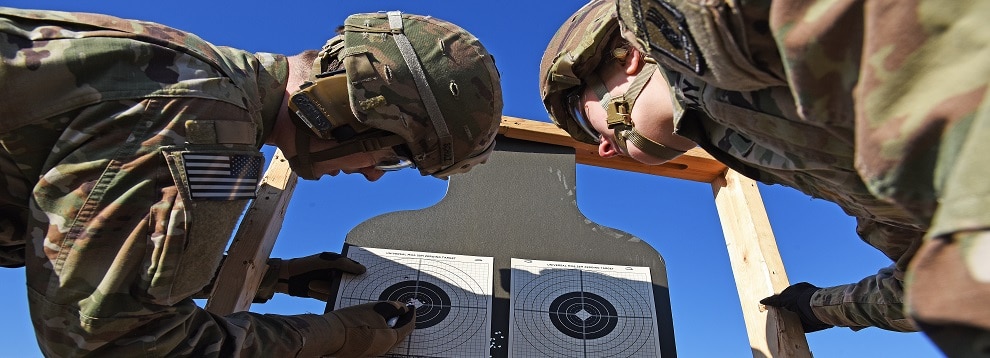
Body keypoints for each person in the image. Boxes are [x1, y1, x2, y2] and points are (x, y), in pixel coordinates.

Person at [0, 6, 502, 357]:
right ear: (349, 111)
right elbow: (112, 344)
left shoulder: (205, 90)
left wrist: (275, 277)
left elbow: (93, 255)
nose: (372, 174)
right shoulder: (212, 123)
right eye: (393, 155)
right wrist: (332, 336)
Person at [539, 0, 989, 356]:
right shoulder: (755, 138)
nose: (599, 143)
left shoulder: (705, 23)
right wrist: (818, 307)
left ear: (628, 55)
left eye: (583, 115)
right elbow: (933, 279)